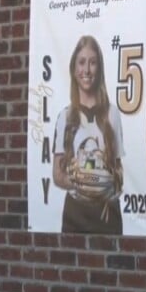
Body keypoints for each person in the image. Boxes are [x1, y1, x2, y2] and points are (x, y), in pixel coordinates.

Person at [53, 36, 125, 234]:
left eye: (92, 63)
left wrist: (105, 181)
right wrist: (83, 181)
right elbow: (57, 175)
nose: (86, 70)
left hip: (107, 213)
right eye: (81, 62)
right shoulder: (65, 117)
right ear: (74, 69)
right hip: (75, 214)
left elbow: (119, 173)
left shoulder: (112, 113)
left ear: (99, 69)